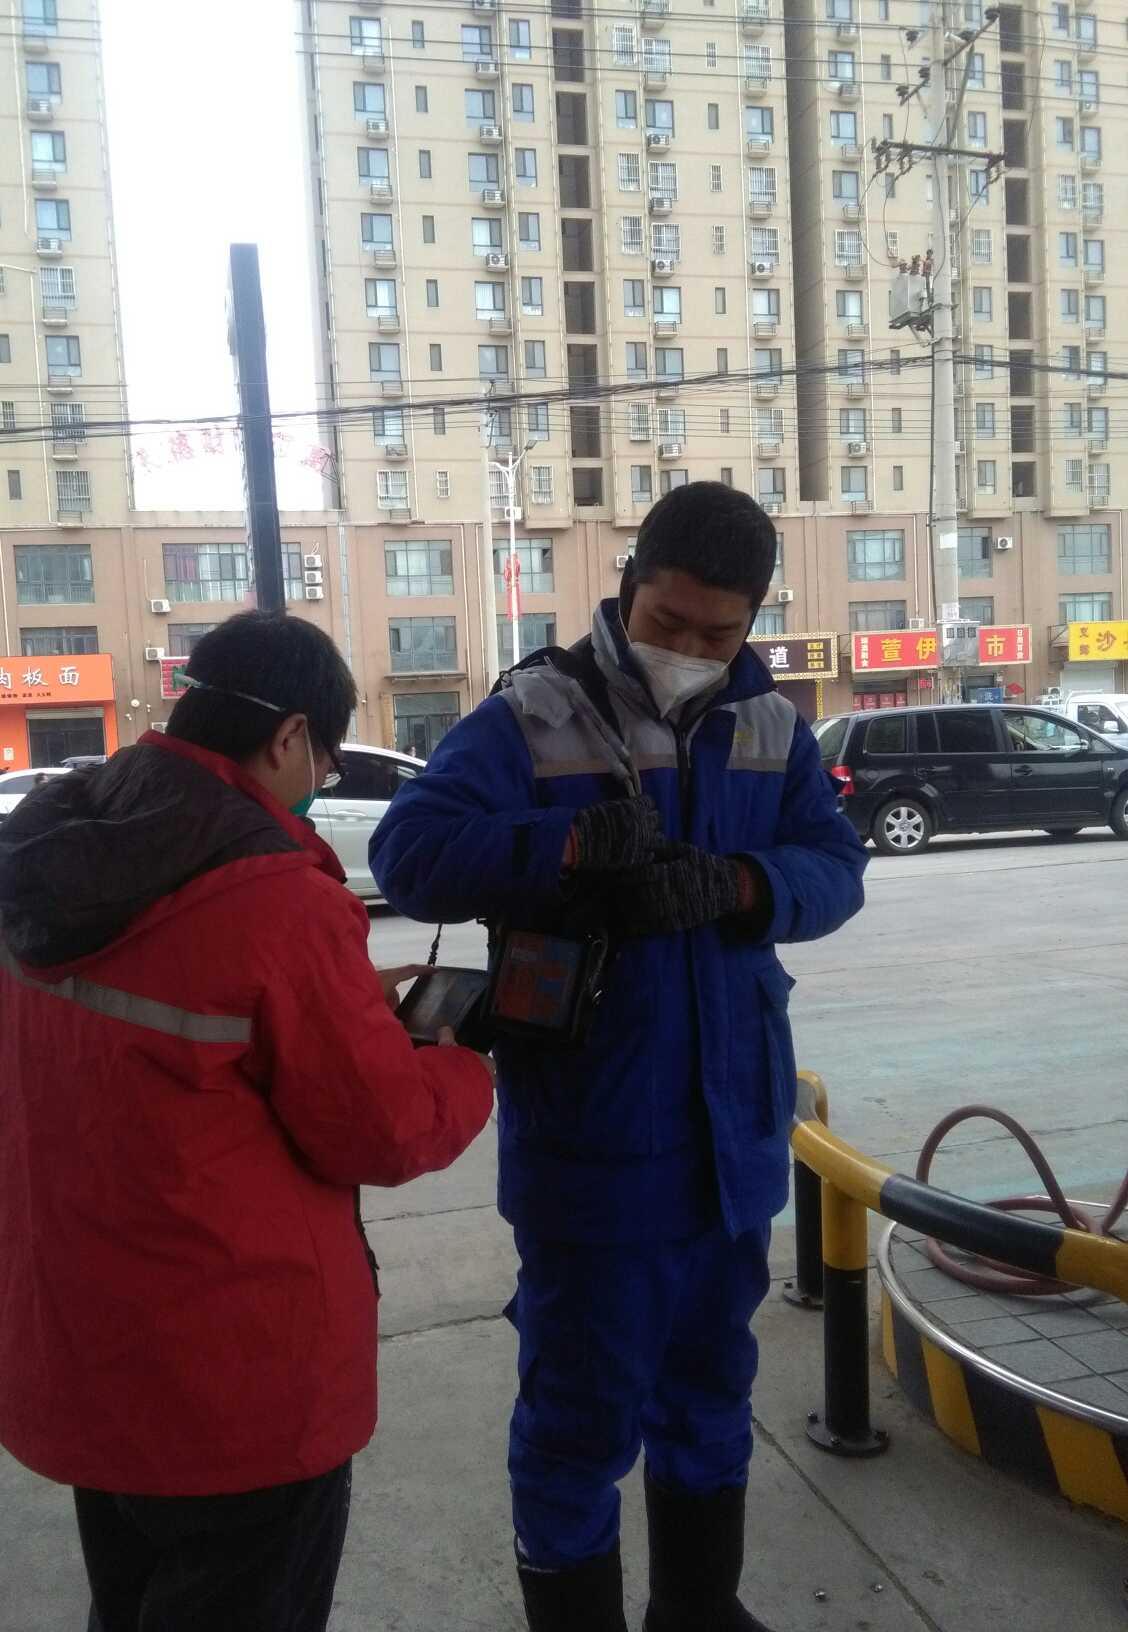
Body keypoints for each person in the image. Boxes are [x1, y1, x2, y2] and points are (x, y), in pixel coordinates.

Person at [370, 482, 867, 1631]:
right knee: (578, 1426)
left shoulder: (771, 726)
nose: (688, 649)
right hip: (595, 1154)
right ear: (629, 584)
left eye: (717, 633)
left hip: (732, 1147)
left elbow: (836, 867)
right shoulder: (536, 715)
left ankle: (698, 1608)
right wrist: (567, 845)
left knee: (713, 1395)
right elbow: (410, 854)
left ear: (753, 619)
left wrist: (744, 885)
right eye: (666, 620)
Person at [0, 610, 495, 1632]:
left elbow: (170, 1033)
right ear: (290, 735)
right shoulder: (275, 898)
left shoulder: (54, 851)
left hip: (86, 1350)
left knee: (129, 1603)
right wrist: (460, 1067)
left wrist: (334, 1006)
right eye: (327, 760)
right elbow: (384, 1130)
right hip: (234, 1388)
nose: (321, 781)